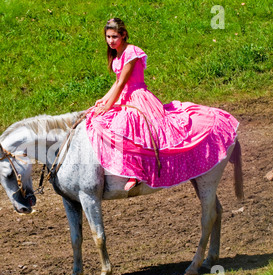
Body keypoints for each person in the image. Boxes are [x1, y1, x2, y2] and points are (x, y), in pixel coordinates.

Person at [85, 18, 239, 190]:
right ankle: (120, 167)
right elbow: (117, 82)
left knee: (135, 126)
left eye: (114, 37)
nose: (111, 41)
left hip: (138, 96)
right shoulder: (117, 54)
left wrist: (108, 105)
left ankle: (138, 172)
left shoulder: (131, 52)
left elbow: (122, 83)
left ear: (124, 35)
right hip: (124, 96)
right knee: (103, 120)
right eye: (108, 37)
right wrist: (104, 99)